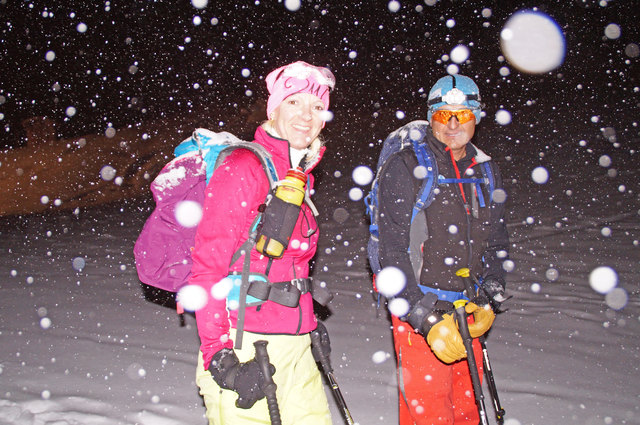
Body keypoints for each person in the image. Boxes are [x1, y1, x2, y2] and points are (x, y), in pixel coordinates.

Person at [191, 61, 335, 424]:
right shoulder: (243, 166)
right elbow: (207, 267)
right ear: (274, 108)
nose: (306, 116)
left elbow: (287, 264)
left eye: (317, 107)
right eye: (294, 103)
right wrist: (222, 360)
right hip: (244, 345)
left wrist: (307, 320)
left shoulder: (298, 174)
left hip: (295, 347)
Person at [377, 74, 510, 425]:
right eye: (443, 114)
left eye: (463, 115)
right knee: (430, 415)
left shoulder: (485, 171)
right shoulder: (407, 166)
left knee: (468, 411)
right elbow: (390, 250)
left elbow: (497, 240)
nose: (453, 124)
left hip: (468, 307)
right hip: (421, 305)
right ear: (431, 116)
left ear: (477, 117)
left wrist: (492, 293)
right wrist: (424, 317)